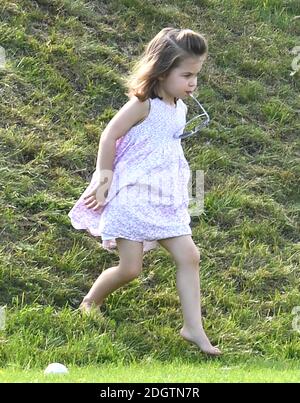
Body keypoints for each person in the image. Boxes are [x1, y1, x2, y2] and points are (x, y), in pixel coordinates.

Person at [68, 27, 221, 356]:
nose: (193, 82)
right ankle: (89, 302)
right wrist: (103, 178)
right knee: (131, 269)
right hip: (134, 195)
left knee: (189, 255)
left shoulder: (178, 106)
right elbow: (110, 135)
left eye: (196, 75)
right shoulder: (143, 104)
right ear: (163, 71)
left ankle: (192, 327)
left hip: (164, 196)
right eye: (187, 75)